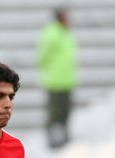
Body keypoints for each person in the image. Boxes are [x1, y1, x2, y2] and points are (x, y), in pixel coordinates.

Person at [37, 7, 77, 149]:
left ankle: (64, 138)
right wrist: (49, 71)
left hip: (66, 80)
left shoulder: (65, 33)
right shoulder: (52, 34)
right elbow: (43, 56)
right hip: (55, 81)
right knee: (54, 112)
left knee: (65, 112)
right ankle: (52, 140)